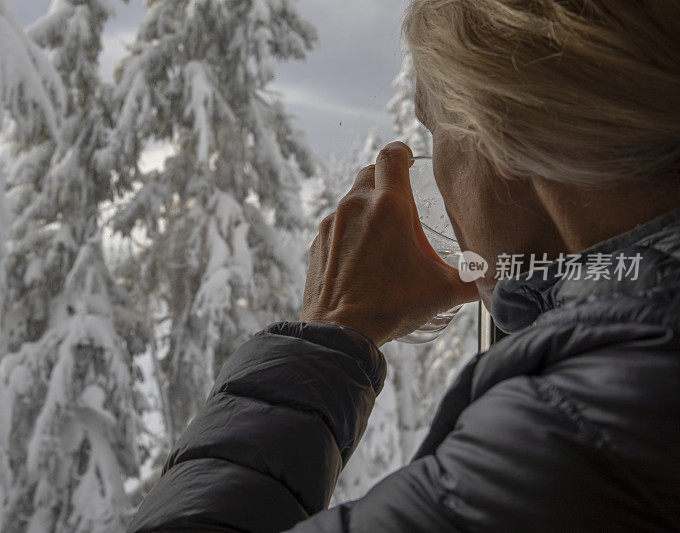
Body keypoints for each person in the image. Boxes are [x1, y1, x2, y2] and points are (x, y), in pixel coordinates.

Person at [129, 0, 680, 531]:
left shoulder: (581, 429)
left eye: (436, 133)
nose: (434, 171)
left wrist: (327, 336)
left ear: (503, 127)